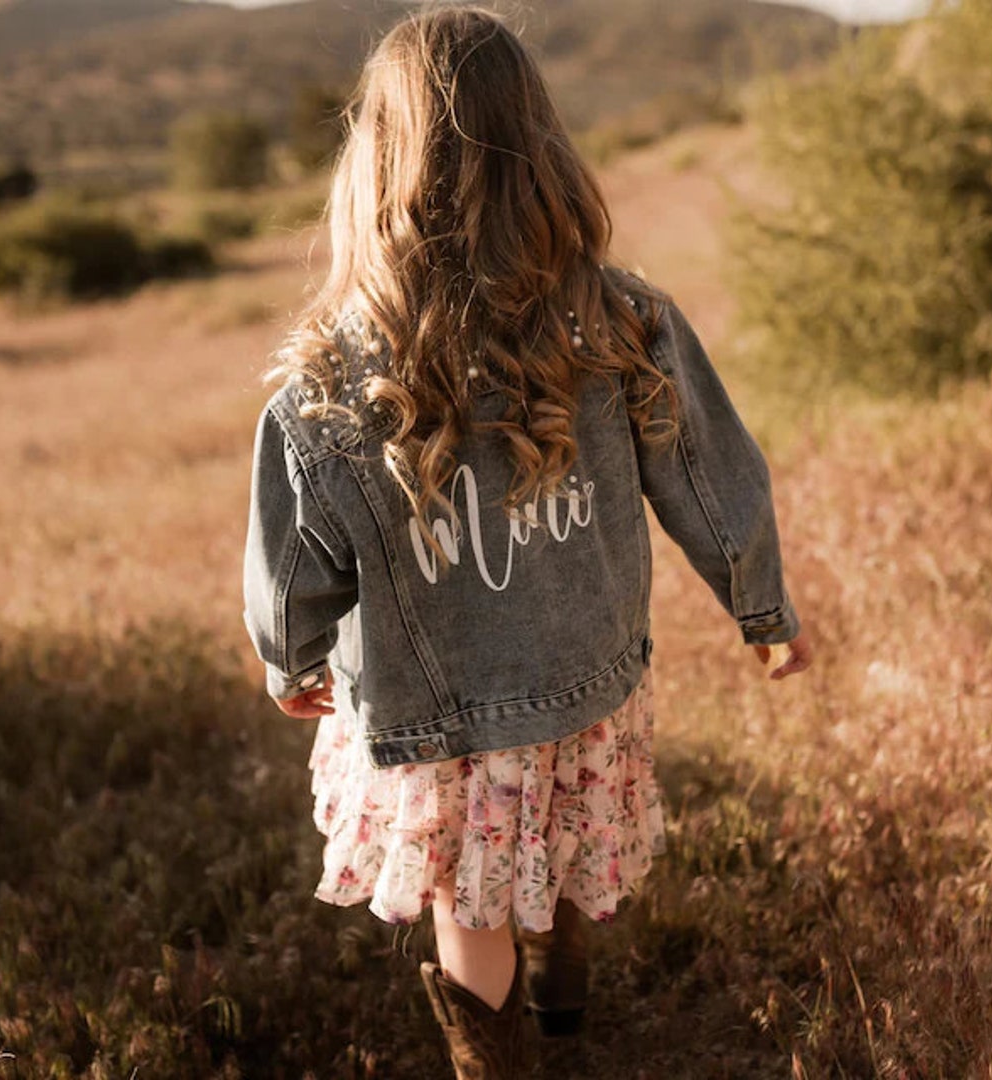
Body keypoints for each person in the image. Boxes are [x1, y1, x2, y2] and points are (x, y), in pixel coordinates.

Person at [242, 7, 812, 1078]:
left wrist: (291, 654)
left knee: (472, 892)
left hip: (436, 707)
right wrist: (762, 605)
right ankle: (562, 1004)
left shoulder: (326, 377)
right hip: (582, 676)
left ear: (375, 164)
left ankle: (497, 1066)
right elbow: (711, 475)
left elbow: (291, 552)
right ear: (540, 148)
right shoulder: (622, 322)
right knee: (551, 827)